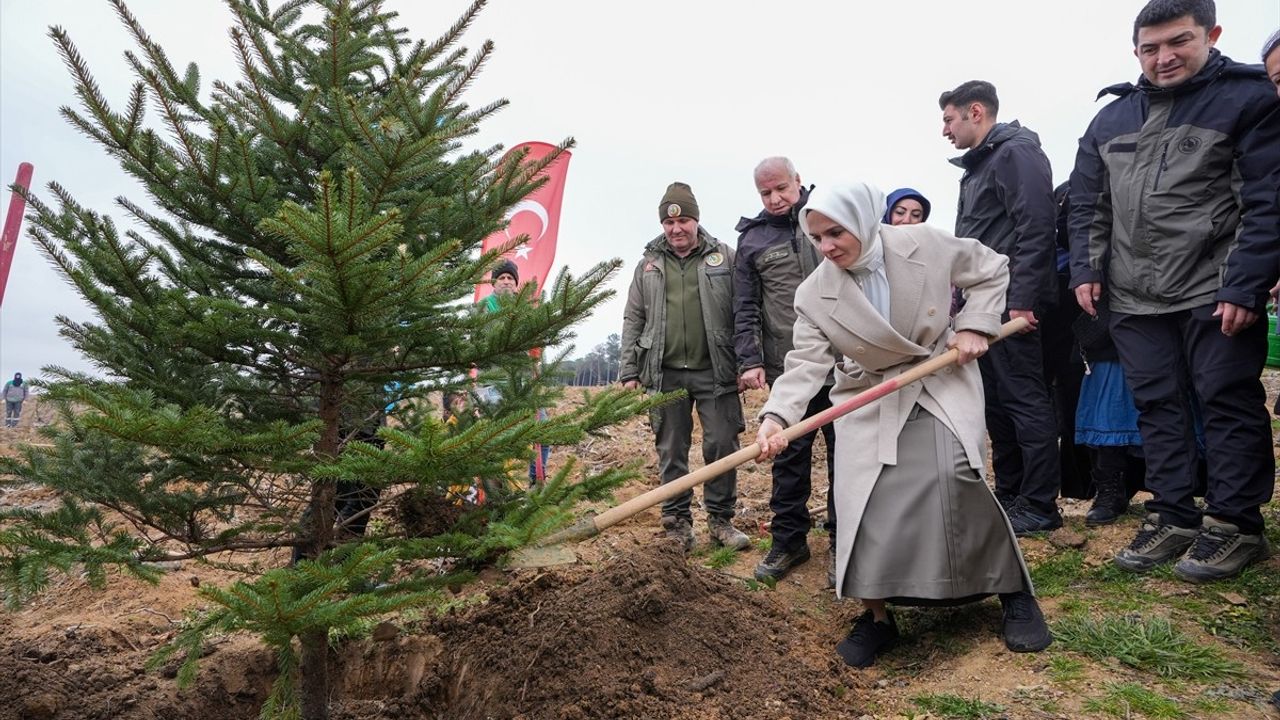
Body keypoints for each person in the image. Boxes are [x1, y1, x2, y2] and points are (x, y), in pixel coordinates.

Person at [755, 181, 1049, 668]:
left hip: (939, 377)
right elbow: (804, 363)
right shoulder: (815, 294)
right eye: (817, 237)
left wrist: (976, 323)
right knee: (863, 496)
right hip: (869, 395)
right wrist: (775, 417)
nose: (826, 247)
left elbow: (991, 269)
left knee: (957, 475)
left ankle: (1012, 591)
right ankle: (876, 616)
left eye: (836, 233)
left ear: (866, 222)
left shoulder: (924, 244)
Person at [1069, 0, 1280, 582]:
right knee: (1156, 405)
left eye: (1178, 42)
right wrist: (1086, 272)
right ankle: (1172, 512)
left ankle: (1236, 524)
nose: (1164, 58)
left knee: (1225, 399)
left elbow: (1264, 202)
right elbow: (1090, 203)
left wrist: (1245, 283)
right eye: (1150, 48)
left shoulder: (1248, 99)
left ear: (1211, 34)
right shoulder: (1110, 120)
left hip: (1214, 287)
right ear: (1135, 51)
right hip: (1134, 294)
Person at [940, 80, 1063, 535]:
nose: (945, 130)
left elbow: (1036, 226)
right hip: (980, 306)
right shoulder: (980, 165)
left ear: (976, 112)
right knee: (995, 404)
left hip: (1010, 305)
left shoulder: (1016, 154)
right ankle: (1010, 494)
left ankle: (1040, 503)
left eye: (949, 119)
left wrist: (1023, 301)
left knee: (1024, 401)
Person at [620, 182, 750, 553]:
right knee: (671, 448)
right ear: (663, 224)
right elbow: (633, 317)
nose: (676, 229)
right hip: (664, 372)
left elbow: (744, 312)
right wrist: (630, 370)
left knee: (722, 444)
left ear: (696, 220)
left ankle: (721, 521)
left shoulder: (725, 257)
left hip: (717, 370)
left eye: (684, 221)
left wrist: (746, 361)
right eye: (669, 223)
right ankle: (677, 524)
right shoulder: (648, 265)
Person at [733, 157, 837, 585]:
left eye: (781, 189)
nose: (775, 199)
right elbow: (745, 306)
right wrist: (751, 359)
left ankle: (845, 542)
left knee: (846, 457)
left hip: (844, 366)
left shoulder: (828, 217)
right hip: (788, 367)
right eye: (765, 193)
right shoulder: (753, 240)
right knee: (788, 457)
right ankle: (789, 540)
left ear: (799, 181)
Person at [480, 259, 550, 485]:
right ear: (494, 282)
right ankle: (496, 490)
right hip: (494, 383)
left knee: (543, 430)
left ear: (517, 283)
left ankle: (535, 482)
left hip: (524, 382)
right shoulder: (484, 308)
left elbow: (537, 343)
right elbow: (486, 340)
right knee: (499, 437)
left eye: (510, 278)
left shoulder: (527, 308)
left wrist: (537, 355)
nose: (507, 282)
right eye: (502, 278)